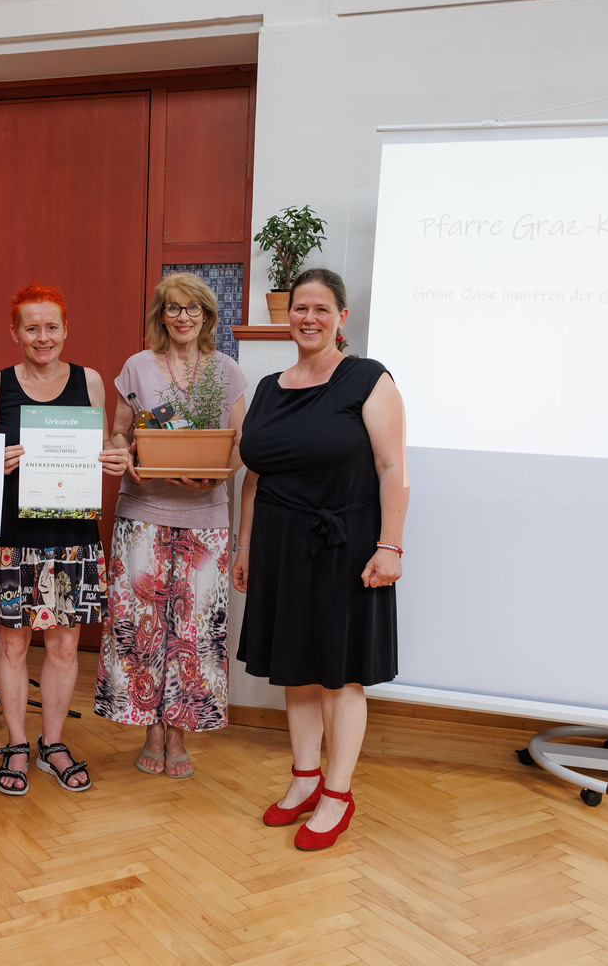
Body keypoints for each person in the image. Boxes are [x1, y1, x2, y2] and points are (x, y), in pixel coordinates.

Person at [231, 268, 408, 851]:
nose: (309, 318)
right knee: (297, 669)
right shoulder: (267, 387)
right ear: (289, 317)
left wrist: (390, 545)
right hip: (280, 545)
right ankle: (304, 778)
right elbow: (255, 476)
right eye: (300, 308)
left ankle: (337, 793)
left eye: (321, 308)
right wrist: (246, 546)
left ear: (341, 318)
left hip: (345, 546)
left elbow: (392, 468)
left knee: (339, 674)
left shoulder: (368, 379)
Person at [0, 283, 132, 795]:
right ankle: (17, 745)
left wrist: (115, 454)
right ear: (15, 332)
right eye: (32, 328)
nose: (43, 337)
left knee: (65, 647)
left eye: (52, 327)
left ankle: (53, 745)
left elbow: (104, 442)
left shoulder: (90, 381)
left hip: (72, 535)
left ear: (66, 330)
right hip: (12, 536)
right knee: (12, 644)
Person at [94, 273, 248, 779]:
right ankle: (151, 731)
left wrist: (216, 474)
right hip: (143, 510)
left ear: (207, 315)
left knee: (196, 629)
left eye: (193, 308)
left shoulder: (226, 370)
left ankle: (179, 732)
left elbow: (240, 441)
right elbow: (119, 432)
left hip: (207, 515)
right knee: (141, 625)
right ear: (161, 315)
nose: (183, 317)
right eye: (173, 308)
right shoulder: (137, 366)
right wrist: (125, 455)